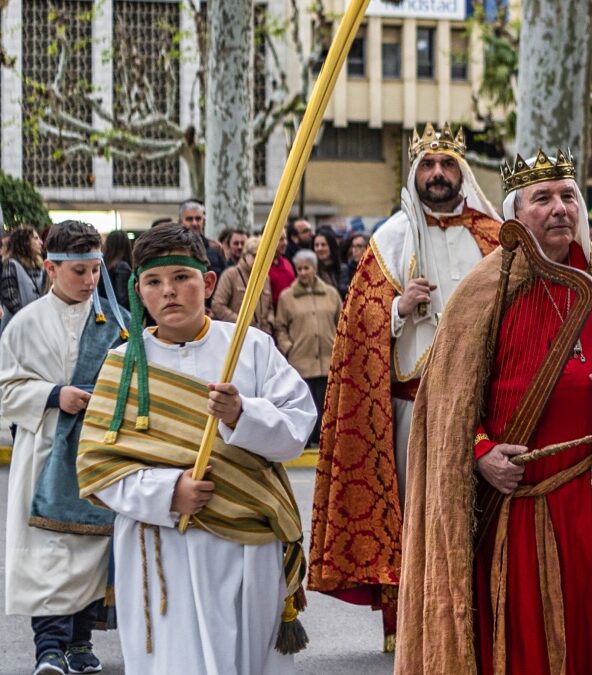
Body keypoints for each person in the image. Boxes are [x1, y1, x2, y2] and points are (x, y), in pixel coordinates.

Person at [395, 149, 592, 674]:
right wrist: (480, 453)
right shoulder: (485, 289)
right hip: (522, 500)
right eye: (542, 198)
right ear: (515, 213)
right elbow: (447, 404)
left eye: (568, 196)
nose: (558, 208)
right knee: (532, 646)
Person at [76, 224, 316, 674]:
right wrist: (168, 493)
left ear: (207, 283)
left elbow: (297, 429)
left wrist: (242, 415)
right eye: (154, 281)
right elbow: (96, 467)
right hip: (158, 547)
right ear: (138, 292)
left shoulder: (251, 348)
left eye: (181, 277)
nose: (169, 291)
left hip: (246, 546)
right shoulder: (122, 366)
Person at [309, 122, 502, 651]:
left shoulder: (493, 234)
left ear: (462, 172)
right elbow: (354, 325)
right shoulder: (389, 238)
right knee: (417, 514)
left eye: (447, 165)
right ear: (414, 174)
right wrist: (397, 307)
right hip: (411, 406)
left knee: (480, 511)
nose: (438, 175)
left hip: (483, 401)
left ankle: (483, 618)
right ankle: (412, 623)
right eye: (428, 166)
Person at [0, 220, 128, 675]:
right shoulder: (24, 324)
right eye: (80, 271)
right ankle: (48, 649)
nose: (91, 280)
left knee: (89, 555)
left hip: (94, 454)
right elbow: (4, 389)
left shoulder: (115, 322)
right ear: (52, 269)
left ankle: (79, 642)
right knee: (48, 557)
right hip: (43, 455)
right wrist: (54, 396)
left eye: (95, 269)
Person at [274, 250, 341, 447]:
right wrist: (288, 347)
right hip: (301, 360)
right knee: (306, 403)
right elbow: (280, 327)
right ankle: (307, 439)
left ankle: (325, 439)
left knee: (326, 403)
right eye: (300, 269)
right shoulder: (287, 297)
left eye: (307, 268)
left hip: (328, 358)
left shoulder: (331, 294)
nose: (303, 272)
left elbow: (341, 322)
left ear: (315, 269)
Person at [211, 236, 274, 334]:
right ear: (245, 255)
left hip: (261, 334)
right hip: (236, 335)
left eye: (263, 256)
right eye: (255, 255)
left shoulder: (265, 278)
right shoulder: (231, 274)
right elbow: (217, 305)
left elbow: (270, 306)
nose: (259, 260)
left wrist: (269, 323)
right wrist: (241, 323)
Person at [0, 226, 44, 336]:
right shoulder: (11, 265)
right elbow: (11, 299)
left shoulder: (41, 268)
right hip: (16, 330)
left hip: (38, 329)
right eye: (35, 238)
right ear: (24, 242)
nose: (41, 242)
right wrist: (28, 321)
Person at [178, 199, 226, 281]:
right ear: (180, 222)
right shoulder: (174, 249)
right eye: (189, 219)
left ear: (204, 221)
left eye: (198, 219)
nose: (194, 223)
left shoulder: (215, 248)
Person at [100, 230, 133, 310]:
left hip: (104, 310)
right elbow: (122, 299)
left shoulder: (102, 266)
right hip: (118, 314)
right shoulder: (122, 266)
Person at [313, 228, 349, 298]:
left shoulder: (343, 269)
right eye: (316, 245)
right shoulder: (312, 269)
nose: (319, 248)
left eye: (323, 245)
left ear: (331, 246)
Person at [269, 229, 296, 309]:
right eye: (280, 239)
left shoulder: (287, 263)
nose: (285, 243)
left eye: (285, 239)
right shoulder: (261, 267)